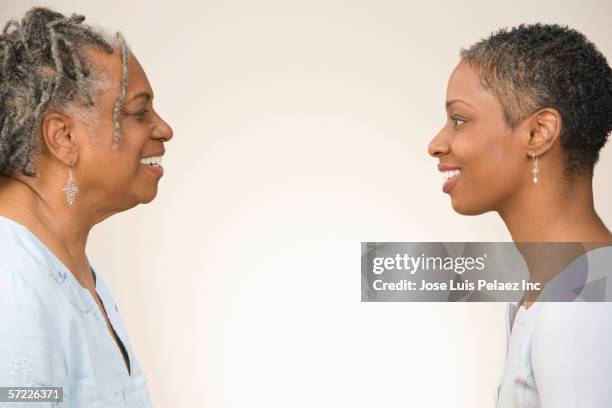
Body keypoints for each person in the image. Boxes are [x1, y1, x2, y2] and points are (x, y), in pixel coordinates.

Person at [428, 23, 612, 407]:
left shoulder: (583, 305)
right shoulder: (542, 291)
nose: (436, 144)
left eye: (459, 120)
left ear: (537, 133)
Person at [0, 6, 173, 407]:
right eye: (138, 112)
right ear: (63, 137)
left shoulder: (72, 273)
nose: (164, 128)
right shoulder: (12, 281)